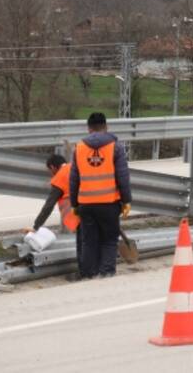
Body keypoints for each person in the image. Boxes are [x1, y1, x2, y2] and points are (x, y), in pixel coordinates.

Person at [69, 112, 132, 278]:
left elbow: (73, 178)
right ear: (106, 127)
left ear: (88, 128)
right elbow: (123, 176)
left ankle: (89, 274)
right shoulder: (116, 146)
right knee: (109, 239)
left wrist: (74, 204)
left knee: (89, 241)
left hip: (86, 204)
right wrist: (126, 201)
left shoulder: (79, 148)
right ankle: (107, 272)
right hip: (109, 203)